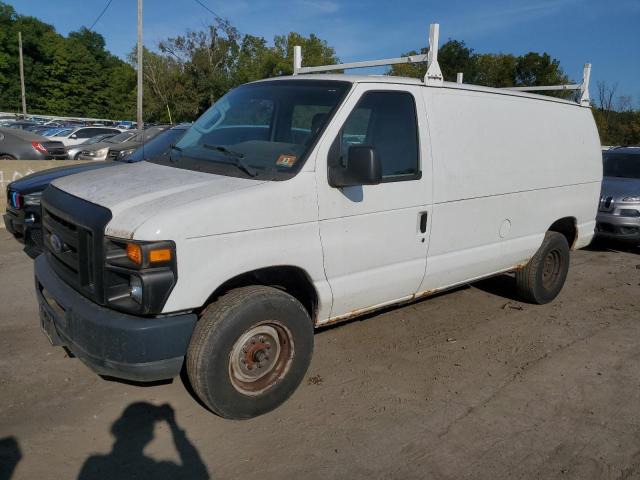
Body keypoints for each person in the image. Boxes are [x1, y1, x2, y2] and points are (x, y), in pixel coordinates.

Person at [78, 403, 208, 480]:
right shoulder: (162, 468)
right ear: (149, 436)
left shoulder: (93, 463)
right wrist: (173, 425)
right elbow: (199, 471)